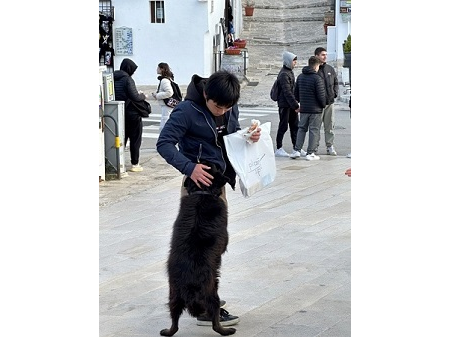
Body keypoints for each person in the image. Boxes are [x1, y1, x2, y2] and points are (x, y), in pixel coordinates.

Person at [156, 70, 261, 327]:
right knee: (194, 250)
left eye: (229, 107)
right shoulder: (187, 111)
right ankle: (200, 306)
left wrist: (249, 137)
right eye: (217, 106)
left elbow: (231, 138)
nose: (222, 111)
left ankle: (205, 294)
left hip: (219, 185)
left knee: (214, 247)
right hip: (196, 187)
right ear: (206, 95)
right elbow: (164, 143)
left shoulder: (228, 108)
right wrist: (189, 167)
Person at [113, 58, 147, 172]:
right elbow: (135, 97)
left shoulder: (113, 77)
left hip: (118, 113)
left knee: (121, 137)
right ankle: (135, 164)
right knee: (135, 139)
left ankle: (118, 162)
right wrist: (143, 95)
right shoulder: (127, 80)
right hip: (132, 113)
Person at [291, 55, 326, 161]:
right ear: (316, 66)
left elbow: (296, 93)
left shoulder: (301, 76)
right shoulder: (317, 78)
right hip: (315, 110)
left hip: (304, 108)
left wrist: (299, 103)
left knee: (301, 129)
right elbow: (321, 95)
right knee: (314, 130)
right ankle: (310, 152)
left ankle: (297, 150)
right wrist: (323, 104)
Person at [274, 51, 301, 157]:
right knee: (283, 126)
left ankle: (296, 148)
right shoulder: (284, 74)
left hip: (289, 104)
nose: (295, 63)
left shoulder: (289, 72)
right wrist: (296, 105)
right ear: (288, 61)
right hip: (285, 105)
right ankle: (279, 148)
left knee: (295, 126)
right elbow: (287, 92)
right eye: (294, 60)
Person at [314, 47, 339, 156]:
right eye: (323, 55)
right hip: (317, 104)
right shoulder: (314, 69)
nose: (325, 57)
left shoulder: (330, 69)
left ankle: (330, 146)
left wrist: (335, 93)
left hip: (330, 103)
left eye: (326, 55)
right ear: (317, 56)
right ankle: (314, 147)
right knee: (316, 127)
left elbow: (336, 82)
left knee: (330, 126)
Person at [151, 62, 175, 132]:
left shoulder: (164, 80)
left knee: (164, 125)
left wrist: (157, 95)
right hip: (167, 104)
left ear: (161, 69)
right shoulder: (167, 79)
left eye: (158, 68)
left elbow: (169, 92)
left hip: (167, 104)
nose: (156, 69)